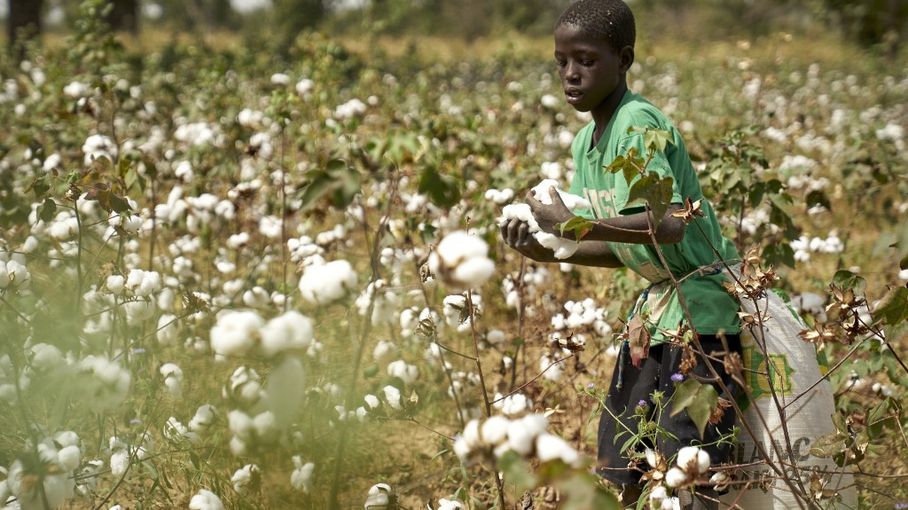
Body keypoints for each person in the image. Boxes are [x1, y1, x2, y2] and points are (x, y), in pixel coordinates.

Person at [499, 0, 742, 507]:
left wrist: (573, 223)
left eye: (586, 60)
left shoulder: (637, 122)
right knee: (621, 463)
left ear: (624, 59)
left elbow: (669, 224)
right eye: (562, 62)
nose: (571, 74)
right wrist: (555, 254)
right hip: (656, 316)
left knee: (689, 467)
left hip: (705, 311)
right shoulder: (587, 141)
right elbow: (625, 243)